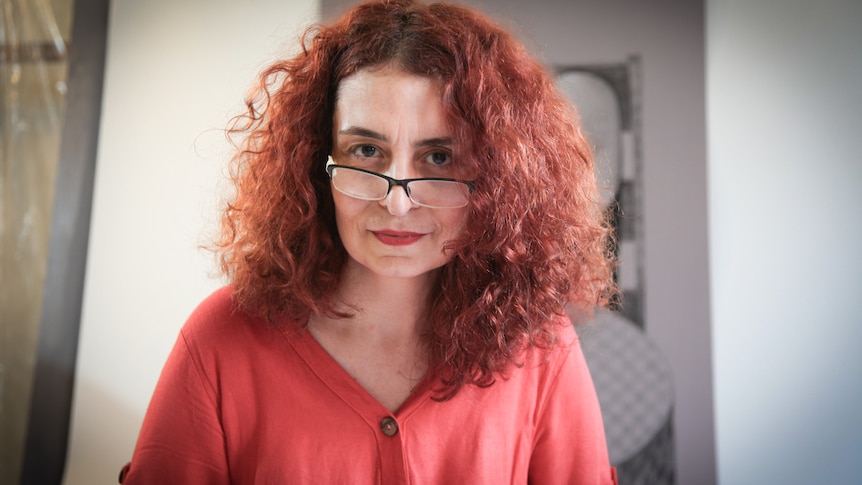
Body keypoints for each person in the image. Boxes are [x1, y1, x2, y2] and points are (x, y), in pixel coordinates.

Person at [120, 0, 618, 483]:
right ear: (317, 161)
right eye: (366, 150)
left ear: (495, 179)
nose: (397, 203)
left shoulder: (539, 345)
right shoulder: (221, 340)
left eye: (439, 158)